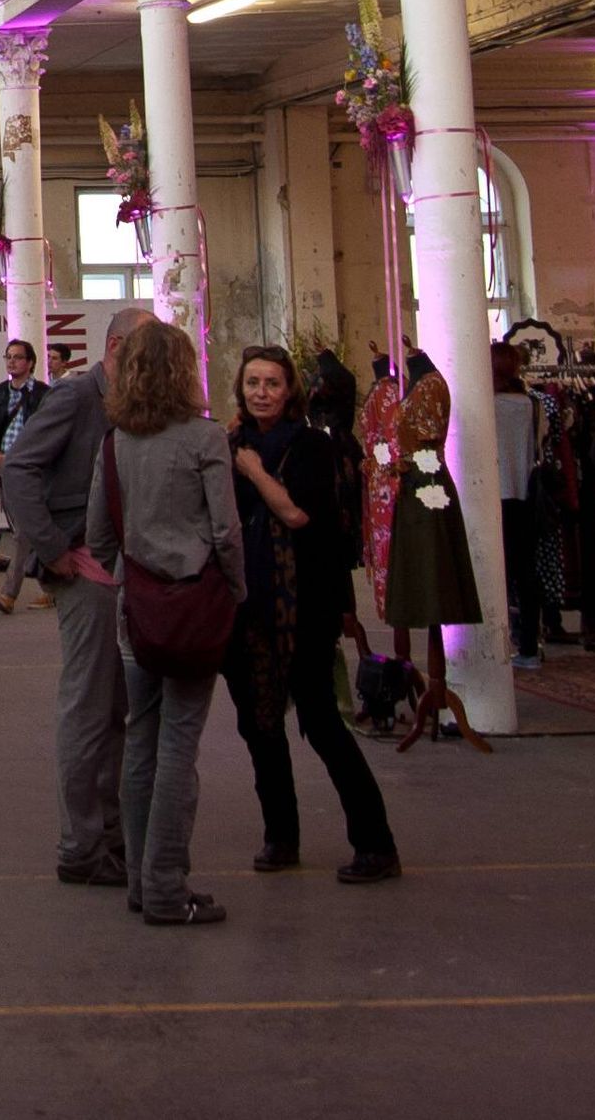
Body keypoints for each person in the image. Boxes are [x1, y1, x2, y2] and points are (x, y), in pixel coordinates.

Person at [224, 345, 396, 884]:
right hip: (249, 608)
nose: (261, 393)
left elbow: (298, 514)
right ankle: (281, 836)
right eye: (252, 383)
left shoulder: (308, 448)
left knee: (322, 723)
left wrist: (253, 472)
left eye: (271, 383)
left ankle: (375, 843)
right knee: (260, 727)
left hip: (304, 607)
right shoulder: (233, 444)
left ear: (289, 390)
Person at [100, 315, 243, 927]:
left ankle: (139, 880)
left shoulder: (116, 442)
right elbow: (226, 532)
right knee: (179, 750)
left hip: (136, 612)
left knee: (141, 744)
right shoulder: (205, 440)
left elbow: (97, 535)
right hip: (189, 609)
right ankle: (165, 886)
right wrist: (235, 590)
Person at [0, 305, 148, 888]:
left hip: (122, 569)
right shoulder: (75, 397)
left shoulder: (129, 404)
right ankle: (81, 844)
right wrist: (54, 548)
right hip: (84, 569)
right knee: (89, 708)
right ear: (115, 348)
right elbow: (18, 471)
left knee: (113, 709)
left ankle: (107, 835)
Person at [380, 349, 486, 744]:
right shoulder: (420, 384)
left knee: (431, 570)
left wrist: (403, 465)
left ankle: (439, 684)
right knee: (418, 572)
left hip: (427, 488)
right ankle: (429, 681)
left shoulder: (430, 386)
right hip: (415, 486)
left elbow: (424, 442)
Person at [492, 341, 548, 668]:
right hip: (523, 495)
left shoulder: (488, 406)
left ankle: (496, 642)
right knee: (526, 574)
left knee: (495, 574)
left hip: (491, 495)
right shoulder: (532, 405)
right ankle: (528, 646)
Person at [0, 337, 44, 574]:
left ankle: (22, 578)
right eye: (8, 357)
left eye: (18, 357)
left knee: (29, 523)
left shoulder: (43, 394)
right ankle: (33, 569)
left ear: (30, 362)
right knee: (17, 523)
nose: (12, 362)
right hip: (5, 466)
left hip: (32, 467)